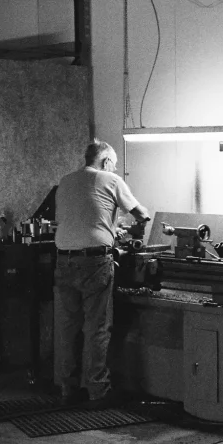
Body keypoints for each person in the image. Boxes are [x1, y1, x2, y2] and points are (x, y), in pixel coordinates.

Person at [53, 139, 149, 408]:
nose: (115, 170)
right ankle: (98, 391)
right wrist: (130, 228)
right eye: (114, 166)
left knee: (67, 327)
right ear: (106, 162)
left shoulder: (66, 180)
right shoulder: (110, 179)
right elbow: (143, 215)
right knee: (97, 328)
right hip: (94, 263)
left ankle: (66, 389)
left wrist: (109, 226)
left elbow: (77, 217)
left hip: (63, 260)